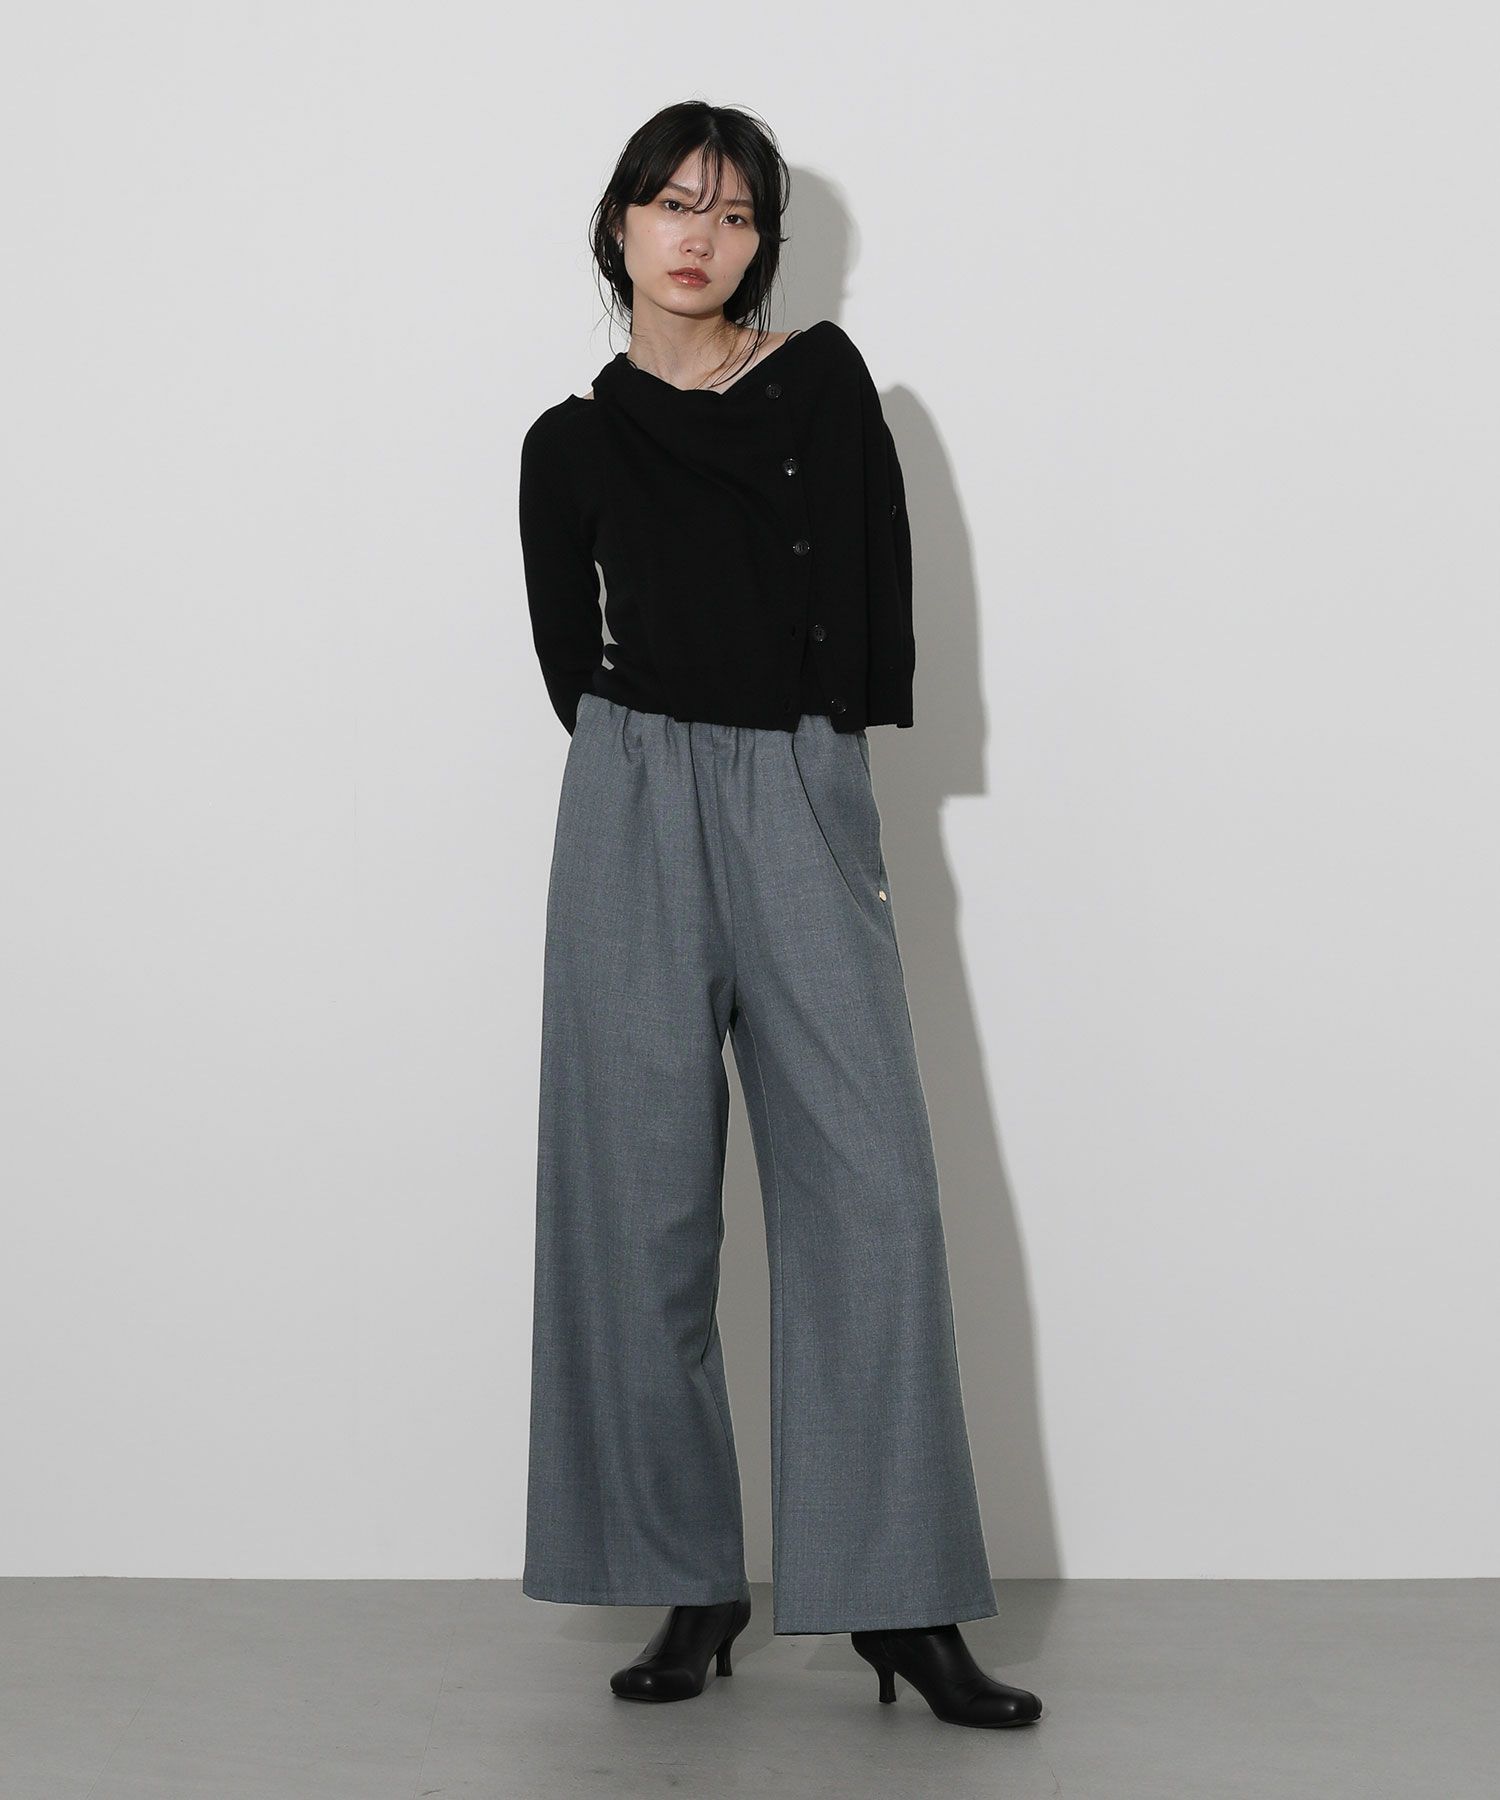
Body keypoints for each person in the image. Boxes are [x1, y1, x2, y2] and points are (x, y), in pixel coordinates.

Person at [516, 99, 1044, 1731]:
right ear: (618, 224)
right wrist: (650, 766)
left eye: (736, 214)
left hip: (800, 784)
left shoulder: (819, 383)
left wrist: (809, 763)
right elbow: (570, 658)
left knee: (873, 1197)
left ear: (764, 245)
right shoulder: (568, 442)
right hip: (631, 796)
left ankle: (899, 1603)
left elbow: (867, 593)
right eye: (673, 203)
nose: (702, 236)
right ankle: (690, 1581)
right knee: (634, 1209)